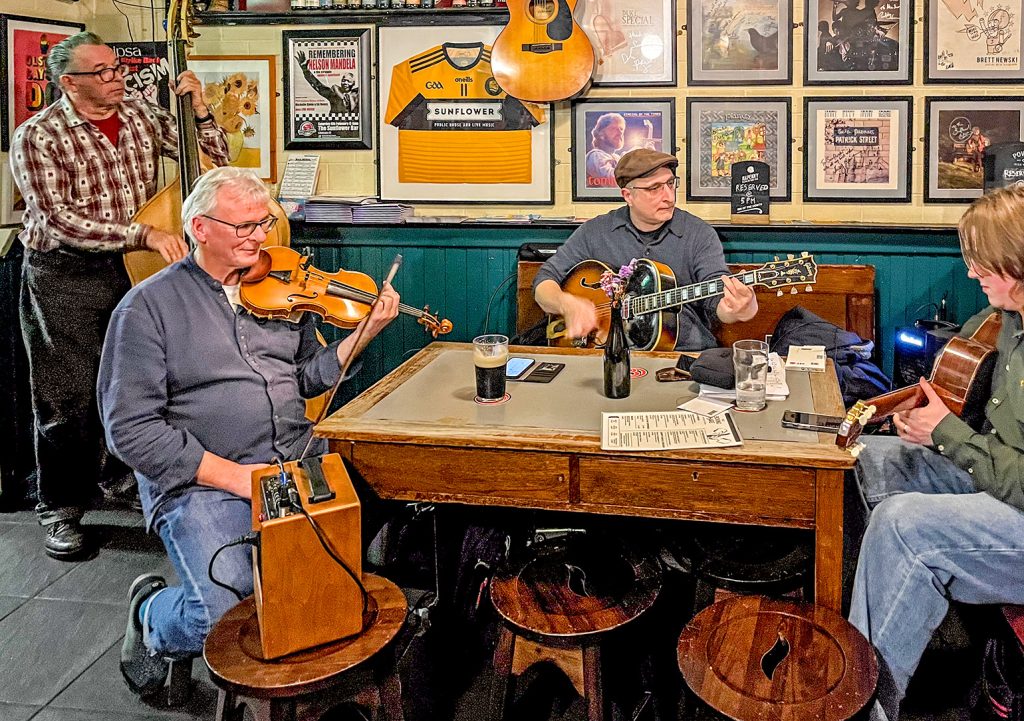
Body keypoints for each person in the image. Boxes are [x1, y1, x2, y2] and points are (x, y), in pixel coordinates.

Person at [96, 166, 400, 697]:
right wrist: (238, 479)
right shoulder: (146, 308)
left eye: (264, 223)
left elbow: (306, 376)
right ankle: (151, 614)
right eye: (244, 226)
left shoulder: (280, 289)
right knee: (219, 615)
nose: (260, 237)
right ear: (199, 228)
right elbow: (131, 430)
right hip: (203, 480)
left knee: (374, 507)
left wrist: (363, 335)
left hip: (294, 456)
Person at [9, 32, 229, 560]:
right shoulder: (38, 135)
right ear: (70, 83)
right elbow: (58, 221)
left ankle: (121, 480)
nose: (117, 78)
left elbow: (214, 165)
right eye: (103, 72)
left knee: (136, 381)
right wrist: (143, 234)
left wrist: (200, 112)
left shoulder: (140, 114)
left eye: (117, 68)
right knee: (67, 395)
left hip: (134, 267)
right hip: (66, 273)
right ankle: (60, 506)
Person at [848, 183, 1024, 721]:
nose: (970, 273)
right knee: (868, 459)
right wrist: (926, 416)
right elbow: (961, 376)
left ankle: (866, 706)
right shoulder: (1006, 318)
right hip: (996, 474)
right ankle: (875, 628)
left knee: (902, 525)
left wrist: (947, 433)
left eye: (981, 262)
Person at [534, 148, 758, 350]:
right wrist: (567, 304)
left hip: (682, 354)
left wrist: (736, 309)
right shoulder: (595, 231)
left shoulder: (699, 234)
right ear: (628, 195)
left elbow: (716, 298)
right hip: (607, 352)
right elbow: (544, 281)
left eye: (670, 184)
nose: (668, 196)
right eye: (654, 188)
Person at [296, 50, 359, 115]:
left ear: (353, 83)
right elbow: (318, 85)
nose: (345, 83)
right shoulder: (333, 94)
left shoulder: (358, 94)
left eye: (348, 81)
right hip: (334, 121)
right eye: (343, 80)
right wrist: (305, 69)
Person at [585, 113, 626, 182]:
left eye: (621, 129)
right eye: (613, 128)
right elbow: (615, 181)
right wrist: (630, 158)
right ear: (601, 134)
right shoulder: (595, 156)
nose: (620, 133)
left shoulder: (616, 157)